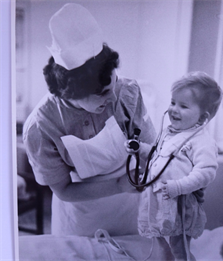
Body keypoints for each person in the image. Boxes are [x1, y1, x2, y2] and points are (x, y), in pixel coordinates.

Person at [23, 3, 156, 236]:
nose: (114, 96)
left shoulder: (128, 92)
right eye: (103, 93)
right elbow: (63, 189)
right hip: (80, 219)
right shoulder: (42, 126)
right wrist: (118, 185)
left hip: (130, 210)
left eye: (114, 83)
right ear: (70, 94)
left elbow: (150, 151)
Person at [125, 72, 222, 260]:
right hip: (158, 199)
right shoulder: (169, 133)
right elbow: (156, 154)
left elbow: (206, 172)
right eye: (172, 103)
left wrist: (178, 187)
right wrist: (139, 149)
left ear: (203, 118)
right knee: (159, 240)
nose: (174, 110)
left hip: (180, 203)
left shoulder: (202, 141)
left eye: (183, 106)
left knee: (180, 248)